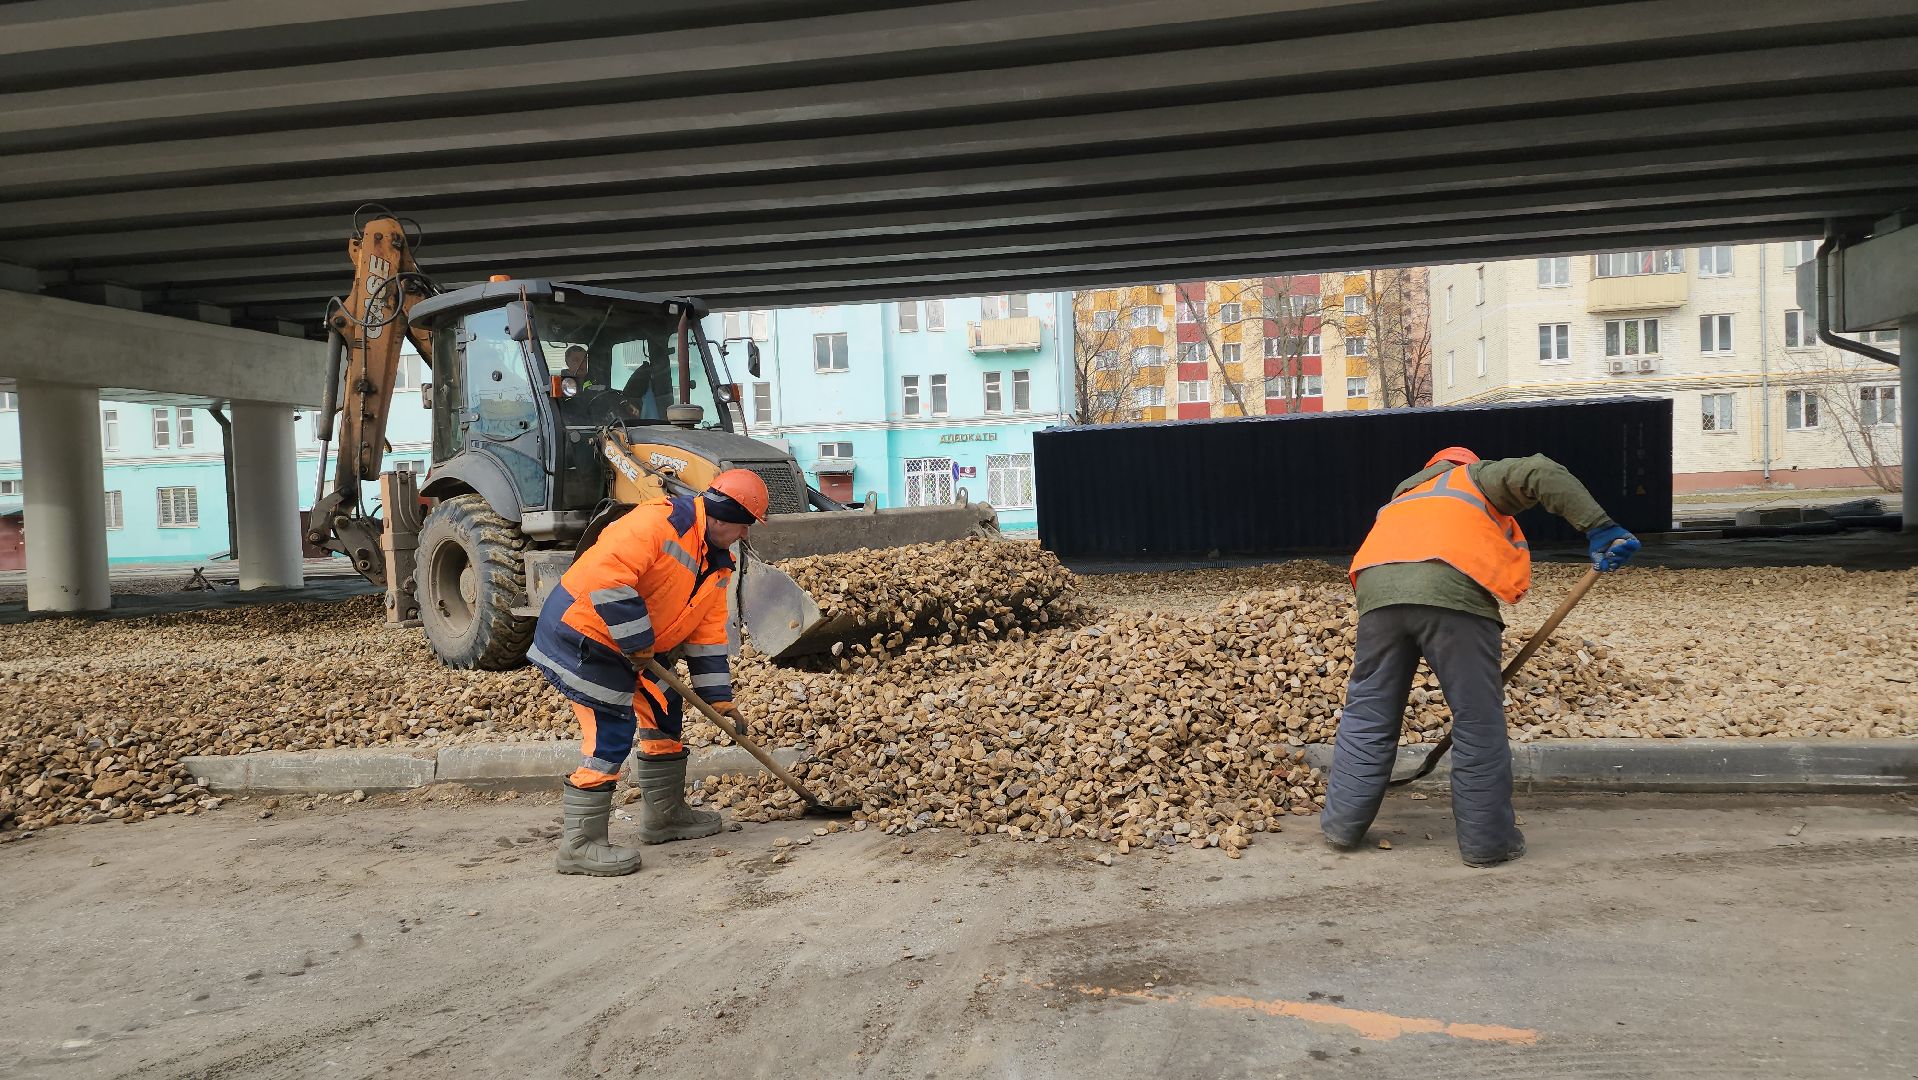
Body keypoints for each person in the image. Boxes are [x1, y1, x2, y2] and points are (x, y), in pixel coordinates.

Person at [1322, 447, 1639, 867]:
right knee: (1476, 719)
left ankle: (1342, 827)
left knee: (1368, 714)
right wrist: (1600, 527)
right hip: (1450, 594)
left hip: (1378, 598)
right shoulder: (1474, 477)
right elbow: (1541, 471)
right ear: (1464, 463)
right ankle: (1487, 842)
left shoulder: (1404, 497)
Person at [528, 469, 770, 876]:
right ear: (724, 517)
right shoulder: (658, 522)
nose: (745, 536)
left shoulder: (718, 563)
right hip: (583, 634)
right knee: (611, 730)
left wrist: (719, 701)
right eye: (744, 526)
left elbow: (707, 636)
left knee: (663, 705)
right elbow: (608, 577)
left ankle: (665, 816)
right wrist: (638, 639)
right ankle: (580, 845)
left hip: (633, 646)